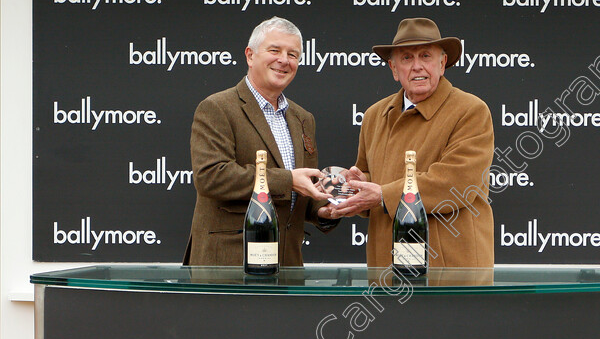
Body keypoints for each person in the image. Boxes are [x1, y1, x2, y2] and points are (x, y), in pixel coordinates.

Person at [328, 17, 495, 268]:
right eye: (406, 58)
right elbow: (368, 175)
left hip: (447, 272)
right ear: (394, 69)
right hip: (387, 267)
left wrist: (383, 195)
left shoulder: (470, 110)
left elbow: (457, 181)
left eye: (425, 56)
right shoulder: (374, 115)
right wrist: (357, 186)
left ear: (442, 63)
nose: (417, 66)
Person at [183, 17, 336, 266]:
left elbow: (302, 191)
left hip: (287, 266)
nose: (284, 60)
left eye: (293, 54)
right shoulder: (217, 108)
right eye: (274, 50)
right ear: (250, 55)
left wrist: (326, 209)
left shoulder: (303, 118)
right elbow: (211, 176)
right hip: (230, 266)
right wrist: (288, 180)